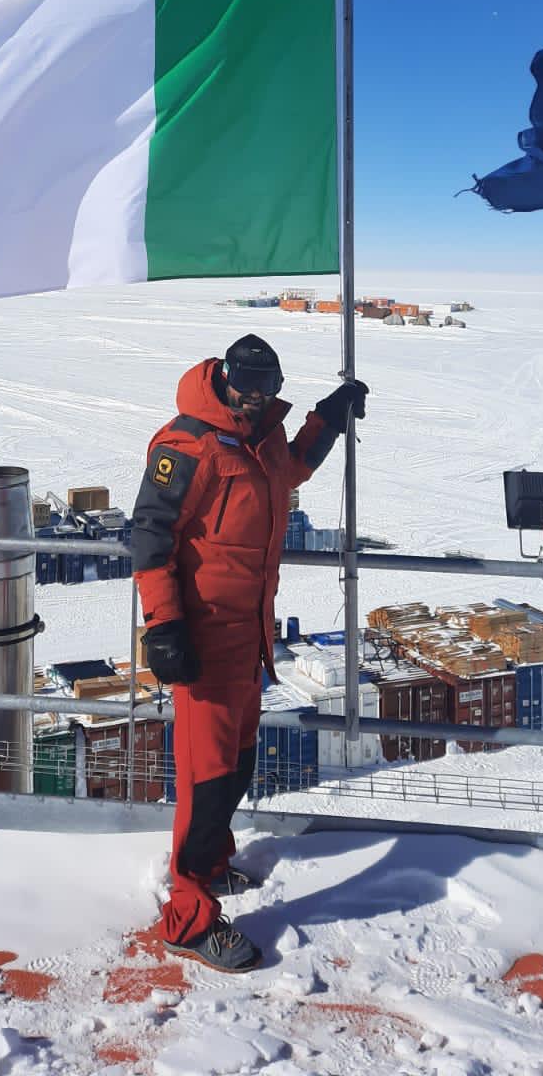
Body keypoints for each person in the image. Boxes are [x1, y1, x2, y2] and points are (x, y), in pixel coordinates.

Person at [130, 334, 368, 973]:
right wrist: (164, 626)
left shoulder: (258, 441)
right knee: (205, 782)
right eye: (246, 388)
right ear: (224, 378)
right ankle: (188, 917)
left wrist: (329, 417)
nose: (256, 400)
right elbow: (149, 537)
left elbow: (291, 469)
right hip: (201, 641)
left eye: (267, 391)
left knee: (234, 768)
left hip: (249, 640)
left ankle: (209, 863)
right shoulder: (186, 444)